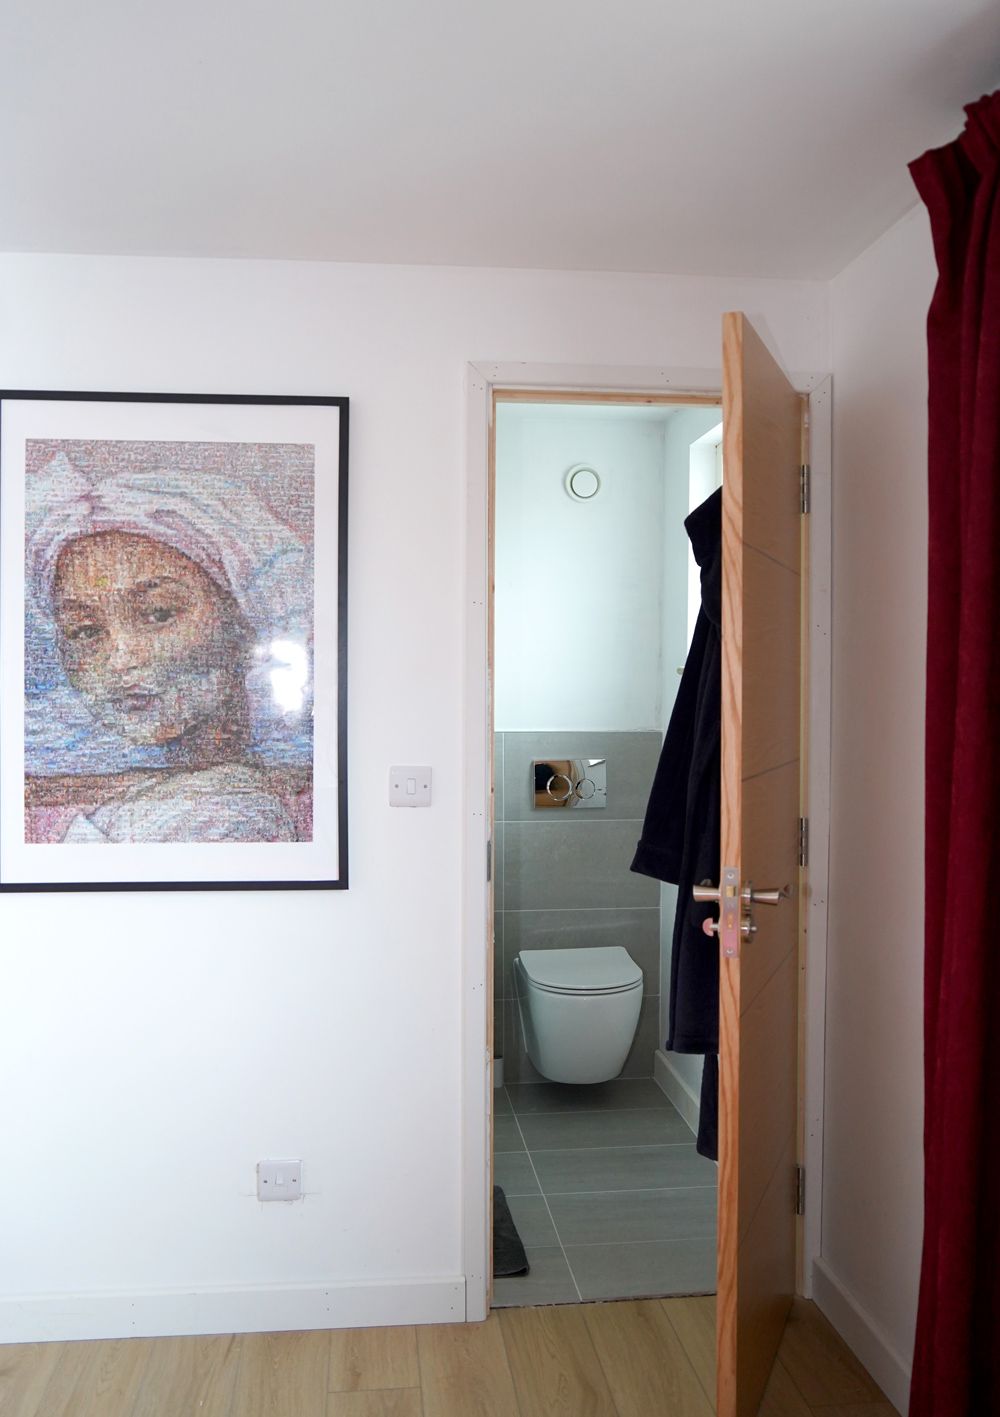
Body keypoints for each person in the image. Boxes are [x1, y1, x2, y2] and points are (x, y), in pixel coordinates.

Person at [25, 453, 312, 844]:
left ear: (243, 624)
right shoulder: (147, 803)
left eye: (158, 613)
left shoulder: (232, 821)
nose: (121, 660)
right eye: (86, 630)